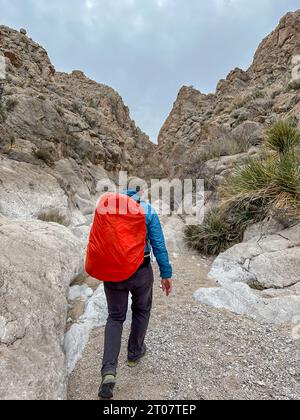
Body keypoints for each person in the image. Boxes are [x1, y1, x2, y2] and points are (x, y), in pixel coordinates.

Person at [98, 188, 173, 399]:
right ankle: (134, 353)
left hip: (113, 274)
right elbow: (158, 244)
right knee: (141, 310)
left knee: (115, 318)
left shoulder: (108, 211)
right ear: (137, 198)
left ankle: (109, 372)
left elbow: (98, 243)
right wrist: (166, 274)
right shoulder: (147, 210)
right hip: (141, 271)